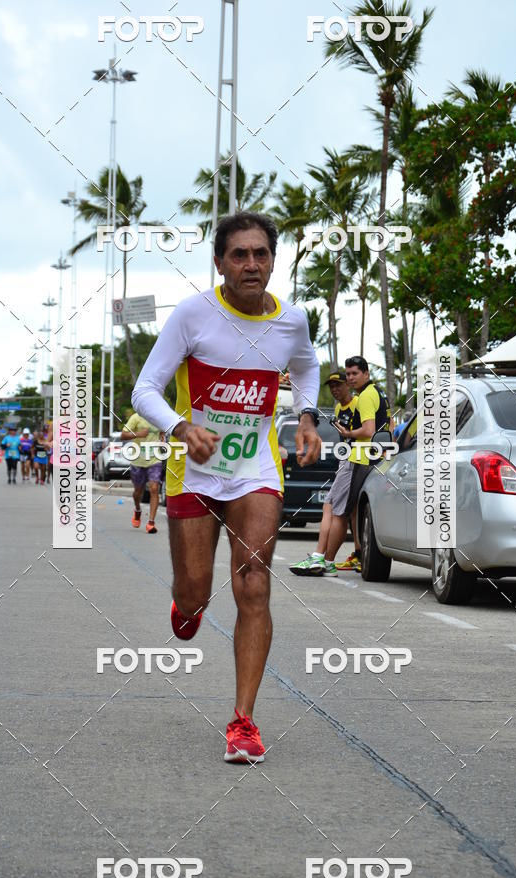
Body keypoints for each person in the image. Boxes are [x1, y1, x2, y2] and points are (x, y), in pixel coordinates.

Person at [132, 212, 321, 764]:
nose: (251, 264)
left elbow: (306, 368)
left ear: (272, 260)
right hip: (193, 468)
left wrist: (307, 417)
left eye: (260, 253)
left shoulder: (292, 320)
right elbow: (147, 388)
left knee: (254, 583)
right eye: (239, 254)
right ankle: (185, 605)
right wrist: (181, 427)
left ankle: (244, 723)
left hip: (254, 471)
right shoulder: (194, 315)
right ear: (219, 263)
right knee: (194, 591)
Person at [289, 371, 359, 576]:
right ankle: (336, 556)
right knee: (341, 510)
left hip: (356, 461)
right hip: (343, 461)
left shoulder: (358, 404)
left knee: (334, 508)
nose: (335, 389)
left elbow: (374, 428)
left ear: (349, 385)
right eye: (331, 386)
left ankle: (322, 558)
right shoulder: (338, 408)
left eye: (339, 385)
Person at [325, 355, 391, 569]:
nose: (351, 378)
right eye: (349, 374)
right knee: (358, 511)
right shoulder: (379, 393)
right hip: (376, 457)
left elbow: (369, 430)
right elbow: (389, 424)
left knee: (339, 511)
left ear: (366, 374)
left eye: (355, 374)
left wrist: (348, 433)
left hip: (362, 458)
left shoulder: (364, 397)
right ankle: (360, 555)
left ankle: (325, 561)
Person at [120, 410, 164, 534]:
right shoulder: (136, 418)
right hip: (138, 460)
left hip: (155, 459)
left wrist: (162, 437)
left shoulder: (159, 417)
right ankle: (138, 510)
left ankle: (151, 523)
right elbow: (123, 435)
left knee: (154, 488)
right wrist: (138, 434)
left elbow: (162, 432)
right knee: (137, 492)